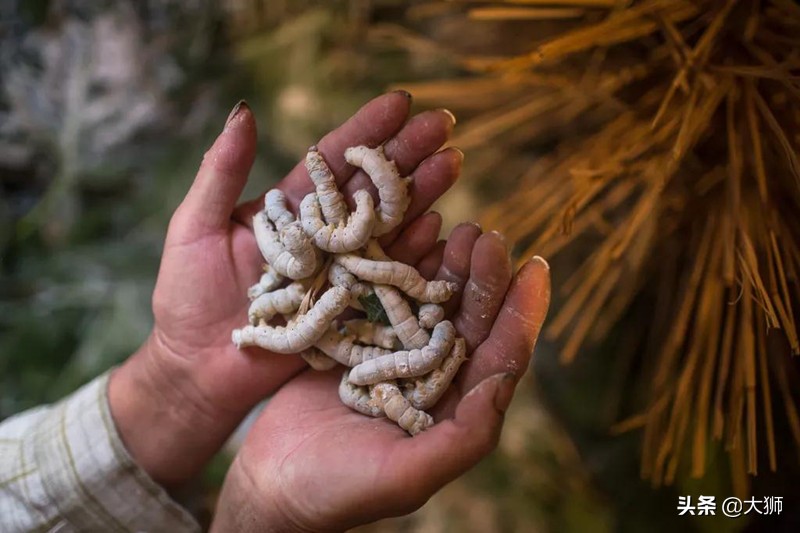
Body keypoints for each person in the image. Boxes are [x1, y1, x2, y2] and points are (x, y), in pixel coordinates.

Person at [0, 91, 551, 532]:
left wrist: (179, 378)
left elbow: (17, 499)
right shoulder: (327, 279)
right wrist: (256, 517)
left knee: (384, 296)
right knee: (385, 300)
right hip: (337, 307)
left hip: (339, 303)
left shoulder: (329, 267)